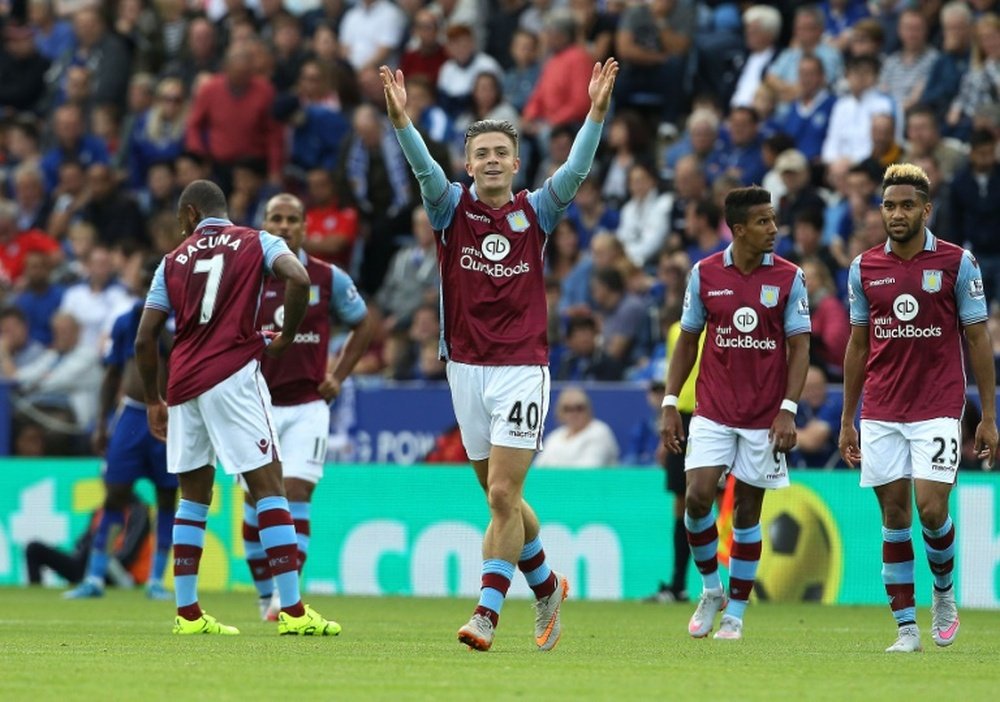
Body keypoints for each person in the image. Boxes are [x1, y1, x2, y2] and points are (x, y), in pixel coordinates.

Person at [380, 56, 618, 651]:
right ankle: (546, 588)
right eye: (480, 153)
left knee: (503, 496)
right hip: (464, 367)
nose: (490, 160)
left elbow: (578, 171)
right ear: (468, 164)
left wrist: (593, 113)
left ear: (515, 163)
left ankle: (486, 614)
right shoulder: (448, 208)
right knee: (499, 497)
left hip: (520, 367)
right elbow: (422, 170)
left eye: (499, 153)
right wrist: (402, 122)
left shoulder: (535, 211)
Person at [135, 179, 339, 636]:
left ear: (189, 214)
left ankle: (187, 614)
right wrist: (285, 337)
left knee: (193, 497)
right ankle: (292, 610)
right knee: (269, 488)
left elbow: (145, 337)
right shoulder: (257, 240)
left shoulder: (171, 261)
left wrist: (153, 398)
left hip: (183, 384)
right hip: (232, 376)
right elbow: (300, 277)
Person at [839, 163, 998, 653]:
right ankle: (906, 629)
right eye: (889, 205)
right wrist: (848, 418)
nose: (897, 213)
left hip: (937, 404)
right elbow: (858, 346)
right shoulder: (864, 268)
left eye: (907, 205)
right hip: (882, 407)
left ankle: (944, 595)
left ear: (926, 210)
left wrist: (988, 415)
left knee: (931, 509)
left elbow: (976, 340)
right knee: (893, 516)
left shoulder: (957, 263)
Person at [661, 186, 811, 641]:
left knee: (747, 513)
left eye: (774, 220)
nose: (773, 229)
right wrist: (670, 402)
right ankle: (711, 589)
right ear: (739, 228)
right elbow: (688, 342)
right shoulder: (705, 274)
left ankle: (736, 615)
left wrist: (788, 410)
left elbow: (800, 346)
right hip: (713, 410)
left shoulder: (789, 277)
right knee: (696, 498)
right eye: (764, 221)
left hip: (765, 417)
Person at [242, 193, 374, 621]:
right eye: (275, 218)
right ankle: (267, 596)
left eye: (292, 219)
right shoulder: (245, 276)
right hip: (254, 404)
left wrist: (339, 374)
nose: (283, 226)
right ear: (263, 224)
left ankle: (286, 598)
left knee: (296, 492)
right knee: (255, 505)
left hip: (307, 404)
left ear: (304, 228)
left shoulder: (326, 277)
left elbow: (363, 323)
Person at [63, 260, 179, 601]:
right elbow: (113, 374)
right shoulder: (129, 321)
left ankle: (156, 579)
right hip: (131, 415)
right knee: (115, 494)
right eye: (146, 281)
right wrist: (101, 423)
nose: (149, 288)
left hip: (172, 418)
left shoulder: (182, 322)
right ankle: (95, 577)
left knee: (167, 498)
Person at [26, 495, 151, 587]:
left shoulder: (139, 511)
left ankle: (90, 580)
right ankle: (36, 592)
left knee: (97, 544)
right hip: (87, 565)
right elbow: (81, 542)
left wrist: (97, 559)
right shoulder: (100, 510)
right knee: (34, 549)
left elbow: (128, 555)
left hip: (121, 573)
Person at [533, 386, 619, 468]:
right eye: (567, 409)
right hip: (552, 482)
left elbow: (589, 469)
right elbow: (538, 467)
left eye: (579, 408)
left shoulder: (600, 432)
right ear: (560, 412)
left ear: (588, 409)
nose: (573, 413)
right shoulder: (554, 436)